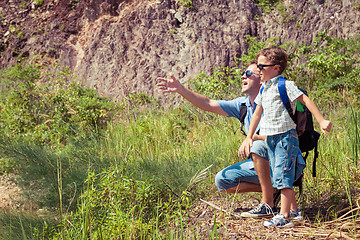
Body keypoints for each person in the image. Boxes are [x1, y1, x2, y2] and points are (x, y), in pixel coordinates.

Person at [156, 61, 305, 218]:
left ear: (261, 79)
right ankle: (275, 189)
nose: (243, 76)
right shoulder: (242, 105)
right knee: (223, 181)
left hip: (286, 162)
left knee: (258, 145)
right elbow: (208, 103)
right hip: (263, 163)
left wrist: (252, 137)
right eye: (243, 73)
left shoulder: (275, 101)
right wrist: (181, 90)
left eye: (248, 74)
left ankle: (268, 204)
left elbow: (285, 136)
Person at [240, 46, 332, 228]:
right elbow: (257, 113)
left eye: (262, 66)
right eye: (258, 66)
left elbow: (305, 100)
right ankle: (295, 211)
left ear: (276, 67)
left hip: (285, 137)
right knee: (279, 174)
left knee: (283, 176)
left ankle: (284, 216)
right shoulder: (264, 89)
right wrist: (249, 136)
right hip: (271, 139)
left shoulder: (286, 85)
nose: (258, 70)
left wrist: (321, 121)